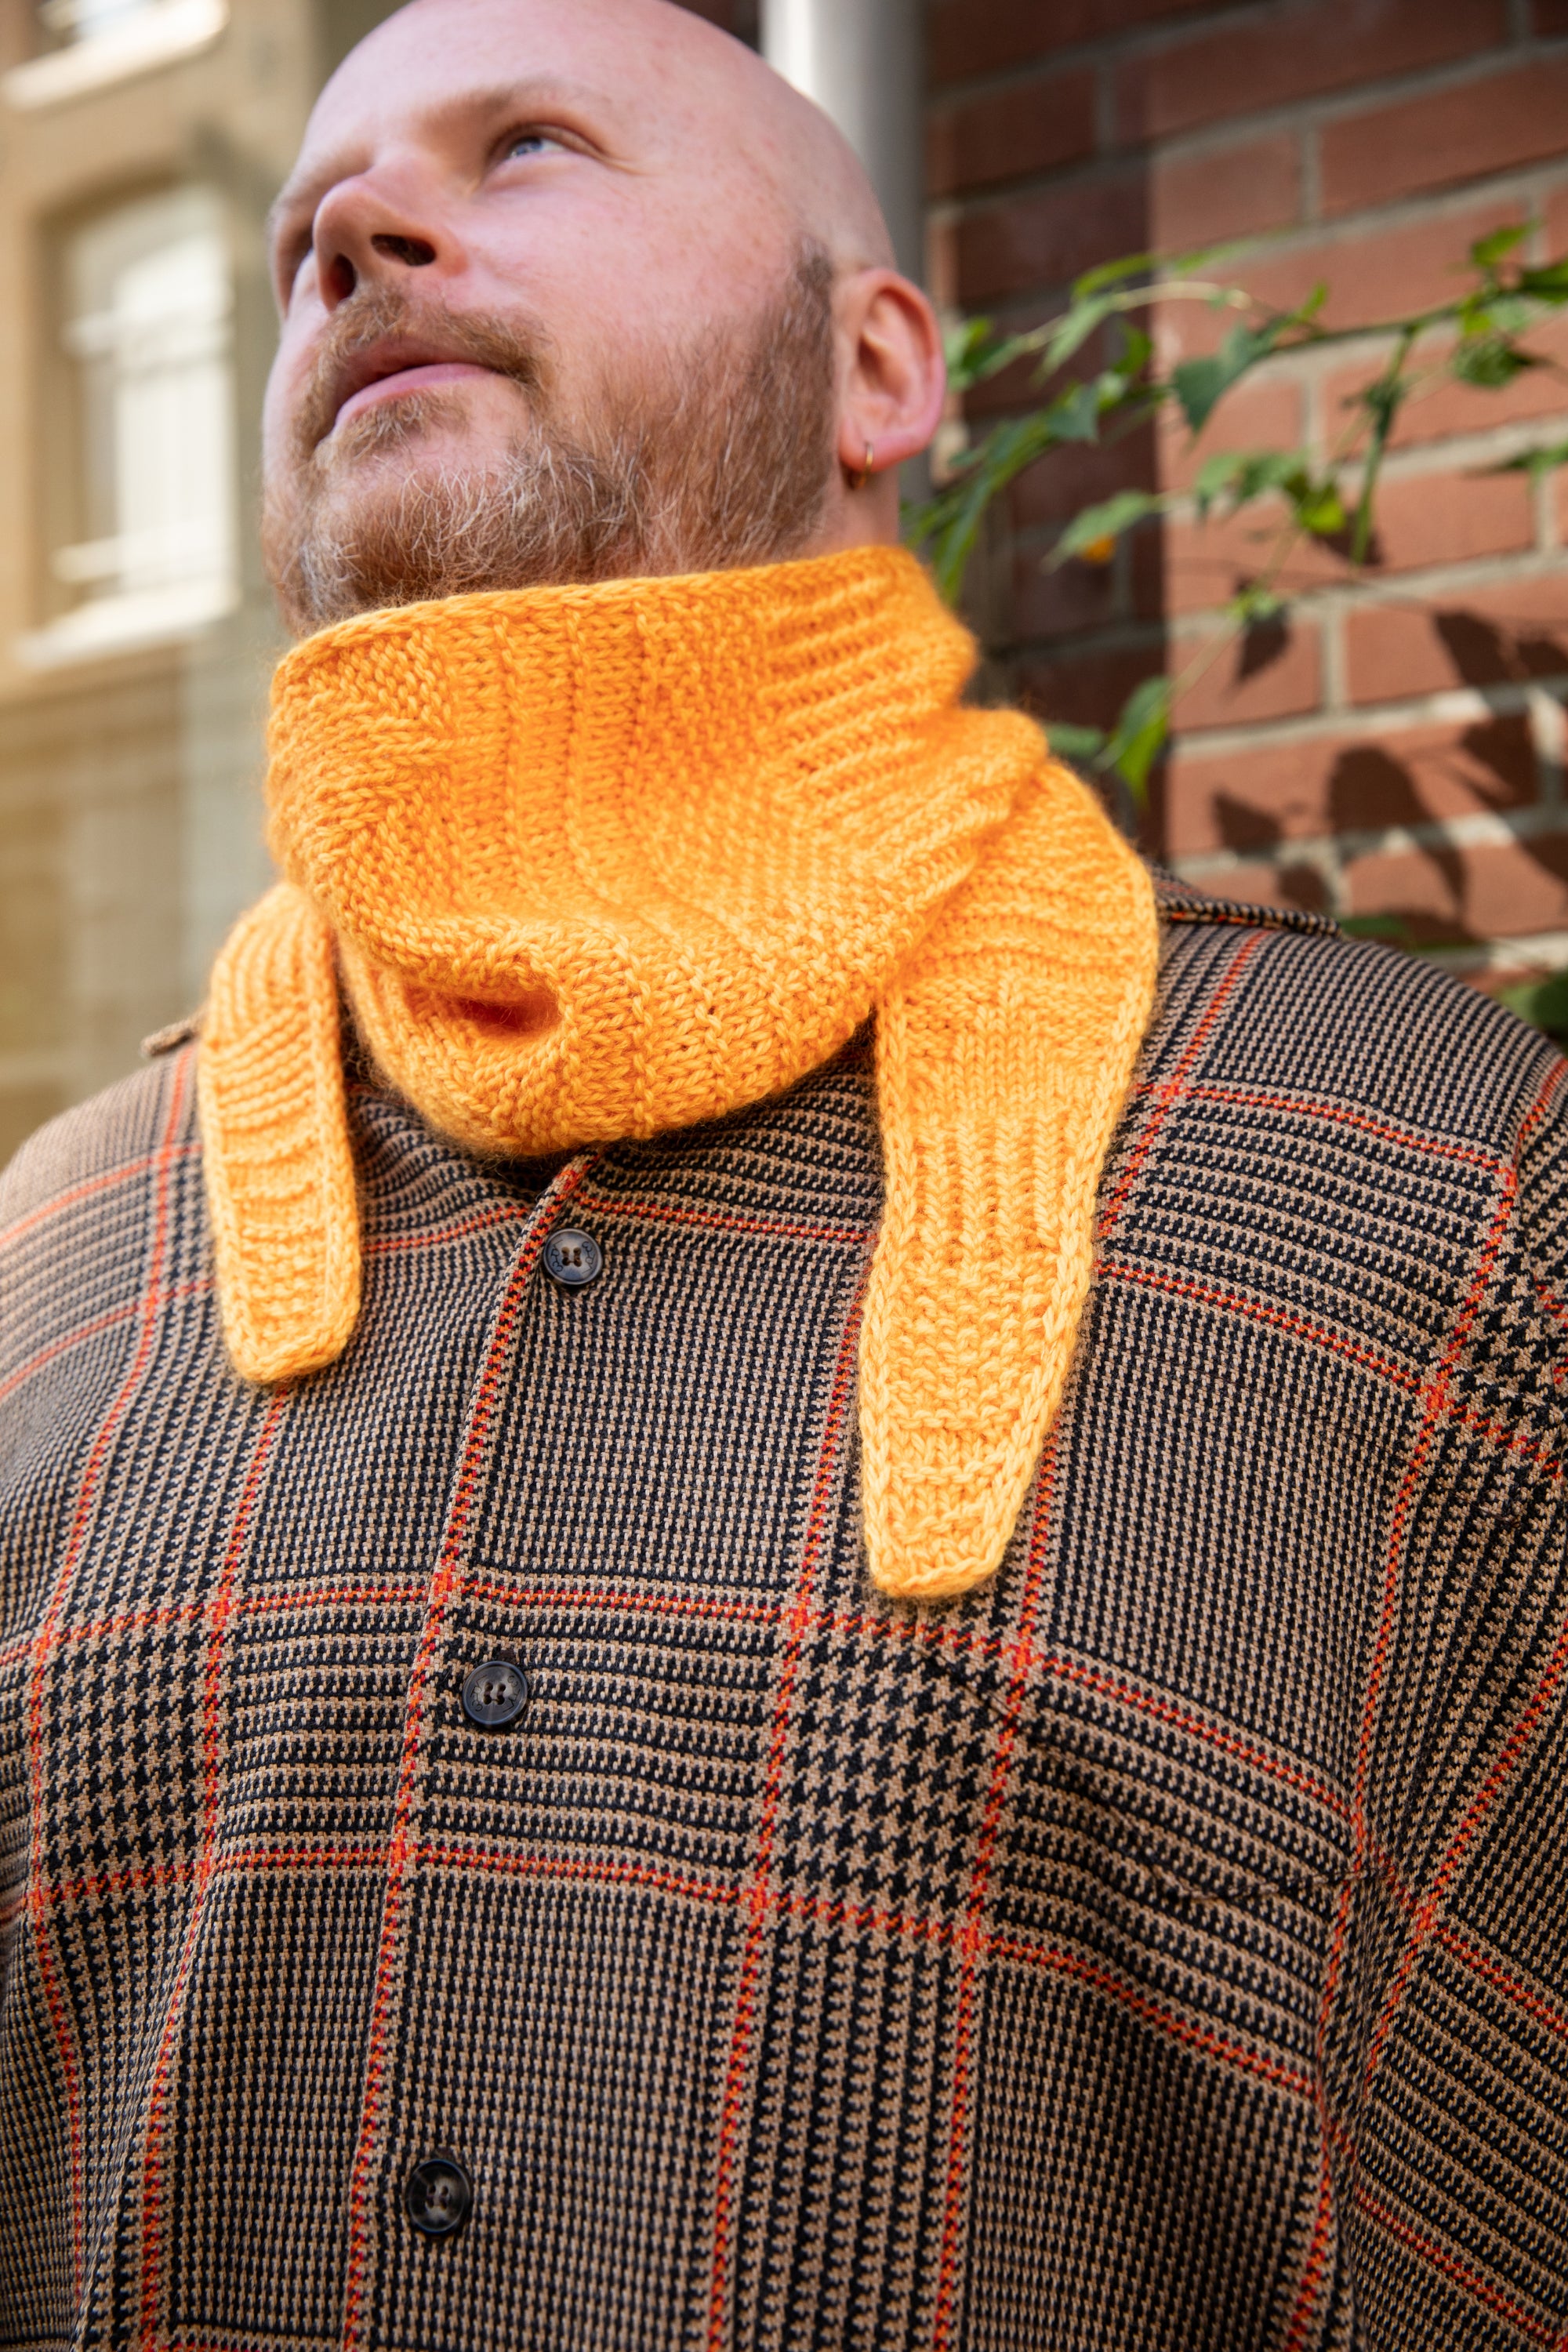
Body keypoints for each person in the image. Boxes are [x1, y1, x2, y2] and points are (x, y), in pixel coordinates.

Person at [2, 0, 1566, 2344]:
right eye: (306, 222)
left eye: (529, 146)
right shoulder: (51, 1254)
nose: (354, 231)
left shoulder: (1436, 1181)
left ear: (879, 367)